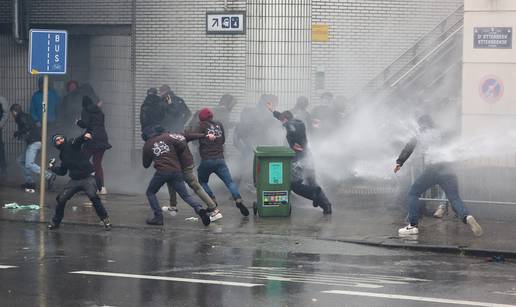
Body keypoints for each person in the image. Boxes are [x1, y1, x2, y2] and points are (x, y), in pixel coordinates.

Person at [394, 115, 483, 236]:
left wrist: (399, 162)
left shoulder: (421, 134)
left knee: (413, 193)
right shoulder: (442, 133)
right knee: (454, 198)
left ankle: (412, 226)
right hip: (448, 170)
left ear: (421, 125)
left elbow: (408, 147)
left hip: (433, 169)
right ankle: (467, 216)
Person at [266, 103, 332, 214]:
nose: (282, 123)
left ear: (286, 119)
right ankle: (327, 206)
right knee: (312, 182)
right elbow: (284, 120)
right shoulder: (297, 122)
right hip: (308, 158)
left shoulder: (291, 125)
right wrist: (273, 111)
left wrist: (294, 143)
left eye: (283, 121)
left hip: (300, 160)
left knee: (295, 185)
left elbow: (290, 127)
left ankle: (315, 193)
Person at [142, 126, 211, 226]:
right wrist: (175, 153)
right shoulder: (167, 137)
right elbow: (182, 145)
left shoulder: (147, 145)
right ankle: (199, 208)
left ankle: (158, 217)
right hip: (176, 170)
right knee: (185, 195)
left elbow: (145, 165)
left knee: (150, 192)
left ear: (144, 137)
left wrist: (153, 156)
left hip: (162, 172)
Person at [47, 133, 112, 231]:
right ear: (55, 144)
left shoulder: (71, 144)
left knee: (93, 197)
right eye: (57, 140)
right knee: (61, 199)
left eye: (61, 138)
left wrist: (84, 137)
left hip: (87, 177)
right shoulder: (62, 155)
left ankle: (105, 219)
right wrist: (52, 168)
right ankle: (55, 222)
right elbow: (63, 171)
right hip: (75, 180)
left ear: (64, 138)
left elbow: (77, 141)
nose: (60, 141)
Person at [194, 108, 249, 217]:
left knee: (202, 181)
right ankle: (238, 199)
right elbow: (223, 140)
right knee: (230, 182)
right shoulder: (219, 124)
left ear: (202, 118)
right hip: (220, 159)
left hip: (207, 160)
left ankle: (212, 201)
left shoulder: (201, 126)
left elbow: (195, 139)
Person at [159, 129, 223, 222]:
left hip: (182, 167)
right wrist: (206, 135)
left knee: (196, 187)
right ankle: (173, 206)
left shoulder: (165, 142)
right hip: (187, 164)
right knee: (172, 181)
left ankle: (214, 210)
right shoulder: (179, 136)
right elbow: (192, 136)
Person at [10, 104, 56, 191]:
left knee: (29, 164)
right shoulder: (26, 116)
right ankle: (30, 182)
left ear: (14, 112)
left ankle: (49, 176)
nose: (12, 115)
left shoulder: (20, 117)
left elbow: (27, 127)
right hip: (34, 141)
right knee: (20, 161)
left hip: (34, 142)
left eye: (12, 113)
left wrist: (17, 133)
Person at [77, 96, 112, 195]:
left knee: (82, 160)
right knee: (97, 163)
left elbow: (86, 123)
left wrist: (78, 122)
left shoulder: (85, 110)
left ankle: (86, 184)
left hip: (92, 138)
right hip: (103, 137)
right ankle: (102, 188)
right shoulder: (99, 111)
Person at [0, 95, 8, 176]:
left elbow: (5, 114)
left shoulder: (2, 99)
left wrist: (0, 125)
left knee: (0, 148)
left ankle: (3, 169)